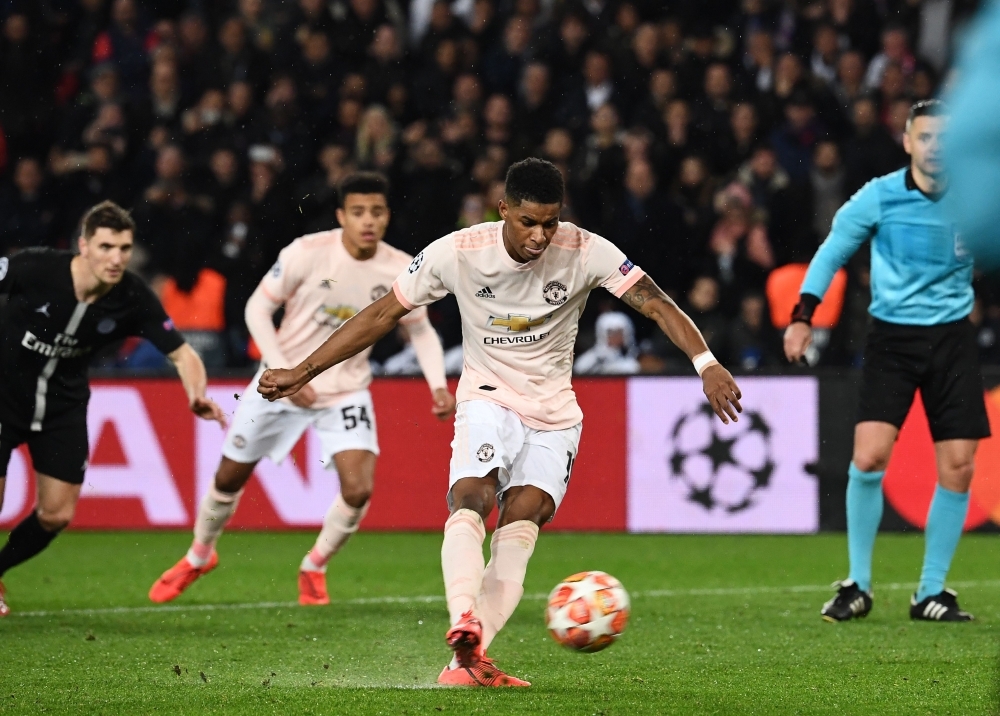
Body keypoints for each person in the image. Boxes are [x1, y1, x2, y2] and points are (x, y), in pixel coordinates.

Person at [257, 158, 743, 686]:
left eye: (550, 222)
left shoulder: (586, 250)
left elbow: (658, 304)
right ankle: (463, 615)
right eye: (528, 222)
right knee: (472, 496)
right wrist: (302, 370)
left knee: (522, 519)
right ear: (503, 208)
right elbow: (380, 316)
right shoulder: (457, 252)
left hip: (555, 412)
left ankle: (466, 663)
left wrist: (707, 363)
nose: (540, 236)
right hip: (487, 396)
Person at [149, 172, 455, 606]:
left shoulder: (400, 267)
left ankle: (315, 565)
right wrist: (283, 371)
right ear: (340, 216)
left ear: (387, 217)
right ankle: (199, 554)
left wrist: (438, 386)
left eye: (377, 212)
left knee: (359, 489)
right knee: (228, 475)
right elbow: (257, 307)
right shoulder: (307, 253)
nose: (368, 221)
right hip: (281, 380)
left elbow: (420, 330)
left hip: (345, 390)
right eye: (358, 212)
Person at [784, 100, 987, 623]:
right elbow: (831, 252)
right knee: (869, 457)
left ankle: (931, 592)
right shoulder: (880, 196)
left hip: (952, 340)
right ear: (908, 142)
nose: (935, 147)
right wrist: (803, 315)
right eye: (925, 137)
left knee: (960, 467)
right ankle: (858, 584)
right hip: (892, 340)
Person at [0, 201, 226, 617]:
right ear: (83, 246)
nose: (117, 258)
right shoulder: (33, 267)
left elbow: (182, 354)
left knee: (55, 514)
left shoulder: (132, 296)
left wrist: (197, 394)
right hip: (3, 396)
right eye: (106, 247)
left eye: (124, 247)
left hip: (61, 407)